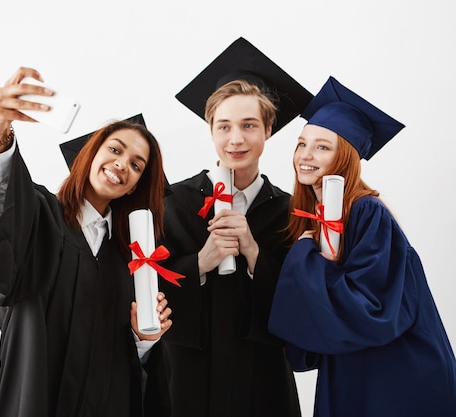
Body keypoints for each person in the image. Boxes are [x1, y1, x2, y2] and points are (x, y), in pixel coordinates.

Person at [0, 67, 174, 417]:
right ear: (90, 154)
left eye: (136, 165)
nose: (122, 165)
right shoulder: (41, 216)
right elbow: (4, 208)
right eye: (115, 149)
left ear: (136, 185)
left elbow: (125, 372)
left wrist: (142, 340)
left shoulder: (131, 263)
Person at [268, 76, 456, 417]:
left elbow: (370, 307)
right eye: (301, 143)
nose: (305, 156)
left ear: (346, 157)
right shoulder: (314, 215)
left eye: (322, 147)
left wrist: (304, 256)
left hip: (400, 371)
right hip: (355, 366)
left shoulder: (366, 211)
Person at [157, 37, 313, 417]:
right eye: (224, 126)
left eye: (249, 125)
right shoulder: (170, 202)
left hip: (261, 378)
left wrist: (253, 251)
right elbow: (145, 293)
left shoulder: (292, 212)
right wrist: (200, 262)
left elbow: (302, 303)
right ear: (211, 129)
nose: (236, 139)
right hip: (187, 377)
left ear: (269, 129)